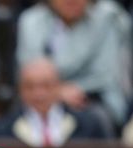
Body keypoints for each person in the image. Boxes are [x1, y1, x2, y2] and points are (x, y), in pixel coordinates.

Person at [15, 0, 132, 136]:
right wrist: (58, 91)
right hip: (41, 93)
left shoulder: (108, 18)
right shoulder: (31, 20)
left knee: (97, 118)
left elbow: (104, 74)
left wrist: (65, 89)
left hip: (92, 97)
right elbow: (31, 70)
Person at [0, 58, 107, 147]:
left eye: (46, 86)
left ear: (59, 86)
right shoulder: (2, 130)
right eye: (30, 87)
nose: (38, 94)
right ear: (20, 90)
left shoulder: (88, 125)